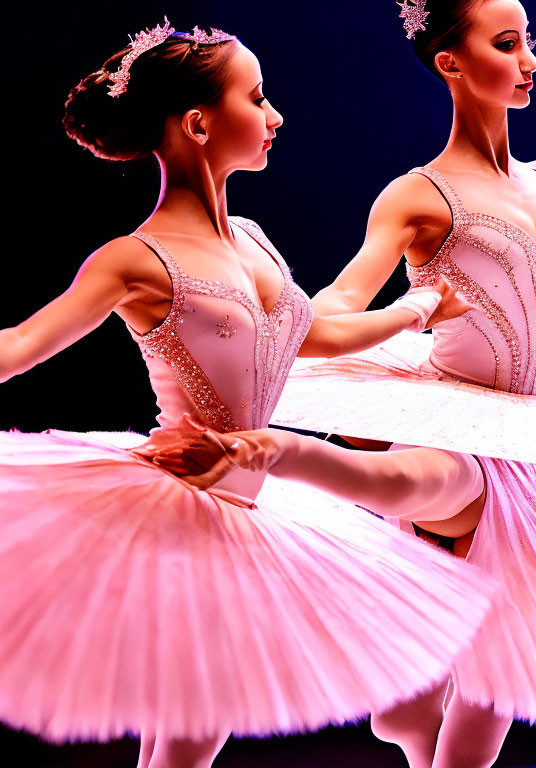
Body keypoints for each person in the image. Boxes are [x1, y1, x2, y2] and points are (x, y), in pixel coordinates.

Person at [143, 3, 536, 767]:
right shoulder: (420, 197)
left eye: (530, 41)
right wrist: (323, 319)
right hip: (455, 427)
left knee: (471, 682)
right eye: (506, 44)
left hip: (525, 437)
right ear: (451, 64)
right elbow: (339, 299)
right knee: (453, 652)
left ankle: (409, 712)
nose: (529, 59)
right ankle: (282, 463)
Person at [0, 19, 509, 768]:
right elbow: (17, 347)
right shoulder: (133, 259)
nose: (275, 116)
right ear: (200, 124)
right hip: (188, 499)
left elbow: (317, 338)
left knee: (193, 730)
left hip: (258, 499)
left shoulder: (253, 237)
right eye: (257, 97)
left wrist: (422, 308)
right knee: (193, 727)